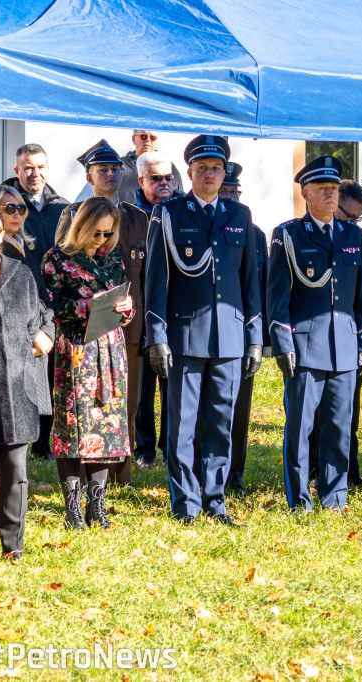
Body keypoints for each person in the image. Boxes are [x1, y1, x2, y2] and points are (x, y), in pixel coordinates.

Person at [144, 135, 262, 525]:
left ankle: (216, 500)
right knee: (182, 425)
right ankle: (187, 504)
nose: (210, 174)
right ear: (189, 173)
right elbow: (155, 283)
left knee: (221, 422)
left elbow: (250, 284)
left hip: (229, 338)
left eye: (216, 168)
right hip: (184, 337)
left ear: (223, 172)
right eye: (202, 168)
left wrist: (255, 336)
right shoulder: (169, 214)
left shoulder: (239, 216)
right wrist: (157, 336)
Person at [268, 157, 362, 512]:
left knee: (339, 428)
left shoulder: (354, 236)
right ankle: (299, 499)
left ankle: (335, 496)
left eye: (333, 188)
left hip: (344, 345)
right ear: (305, 193)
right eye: (322, 189)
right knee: (300, 428)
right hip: (305, 345)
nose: (330, 194)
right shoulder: (289, 235)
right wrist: (283, 342)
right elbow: (277, 298)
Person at [56, 140, 150, 485]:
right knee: (84, 405)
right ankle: (82, 475)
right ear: (89, 175)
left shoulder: (139, 217)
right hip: (83, 331)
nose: (111, 174)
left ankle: (119, 478)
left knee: (125, 403)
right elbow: (63, 267)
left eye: (115, 169)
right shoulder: (72, 214)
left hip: (128, 324)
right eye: (102, 170)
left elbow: (146, 276)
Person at [42, 197, 133, 530]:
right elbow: (52, 305)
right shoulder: (56, 259)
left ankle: (98, 505)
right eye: (96, 233)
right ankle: (72, 510)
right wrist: (86, 307)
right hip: (75, 351)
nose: (102, 240)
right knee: (73, 428)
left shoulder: (111, 259)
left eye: (108, 234)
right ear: (81, 226)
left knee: (105, 428)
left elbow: (122, 301)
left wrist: (126, 310)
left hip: (110, 350)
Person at [0, 205, 54, 559]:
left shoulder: (21, 274)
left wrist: (47, 332)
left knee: (16, 472)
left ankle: (12, 547)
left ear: (3, 235)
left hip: (19, 386)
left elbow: (44, 313)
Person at [2, 143, 69, 460]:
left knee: (55, 374)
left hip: (57, 304)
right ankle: (26, 443)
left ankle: (47, 445)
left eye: (40, 166)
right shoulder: (7, 205)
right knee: (24, 373)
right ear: (17, 171)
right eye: (28, 167)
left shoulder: (63, 208)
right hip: (20, 303)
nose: (35, 173)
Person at [308, 178, 362, 488]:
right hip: (313, 338)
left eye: (358, 218)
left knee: (348, 410)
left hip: (347, 338)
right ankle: (313, 468)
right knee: (313, 412)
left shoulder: (356, 239)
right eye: (349, 216)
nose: (353, 223)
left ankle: (348, 470)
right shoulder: (300, 235)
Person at [219, 162, 270, 496]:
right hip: (208, 332)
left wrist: (260, 340)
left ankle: (234, 471)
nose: (230, 198)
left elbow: (260, 289)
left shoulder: (255, 234)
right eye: (224, 192)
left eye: (234, 193)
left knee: (240, 409)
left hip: (242, 333)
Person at [131, 150, 183, 469]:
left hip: (174, 310)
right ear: (141, 181)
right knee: (142, 384)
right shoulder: (130, 213)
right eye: (156, 178)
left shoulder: (181, 210)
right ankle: (144, 448)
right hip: (138, 312)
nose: (165, 184)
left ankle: (168, 444)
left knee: (172, 381)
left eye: (168, 178)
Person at [116, 130, 184, 205]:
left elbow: (180, 199)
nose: (148, 140)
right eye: (143, 137)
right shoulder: (118, 166)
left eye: (153, 137)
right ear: (133, 139)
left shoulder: (169, 167)